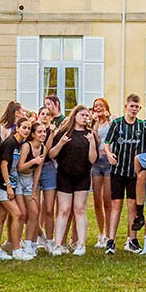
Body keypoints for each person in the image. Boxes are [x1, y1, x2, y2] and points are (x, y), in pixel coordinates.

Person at [103, 94, 146, 255]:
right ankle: (110, 240)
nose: (134, 109)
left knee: (132, 206)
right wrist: (109, 154)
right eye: (131, 106)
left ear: (139, 109)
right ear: (126, 106)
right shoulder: (117, 124)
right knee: (116, 205)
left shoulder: (141, 125)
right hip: (118, 170)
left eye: (137, 107)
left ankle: (132, 239)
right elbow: (107, 142)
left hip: (134, 172)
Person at [50, 105, 97, 256]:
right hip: (64, 175)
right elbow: (51, 154)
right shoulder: (64, 133)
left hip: (82, 176)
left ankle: (81, 244)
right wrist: (61, 143)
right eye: (82, 115)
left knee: (79, 209)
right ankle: (58, 244)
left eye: (87, 116)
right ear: (75, 115)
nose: (85, 118)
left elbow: (93, 159)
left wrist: (91, 143)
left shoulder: (90, 134)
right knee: (63, 209)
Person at [0, 117, 32, 261]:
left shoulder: (20, 144)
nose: (26, 130)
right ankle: (16, 249)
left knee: (1, 217)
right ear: (17, 128)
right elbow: (3, 165)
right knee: (17, 214)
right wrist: (8, 186)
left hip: (11, 184)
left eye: (28, 128)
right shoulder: (10, 143)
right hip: (2, 184)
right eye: (24, 127)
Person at [18, 120, 47, 256]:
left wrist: (35, 191)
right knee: (22, 214)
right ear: (33, 134)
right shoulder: (26, 146)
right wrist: (33, 161)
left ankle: (30, 243)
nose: (43, 134)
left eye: (44, 132)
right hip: (18, 179)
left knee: (34, 212)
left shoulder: (43, 148)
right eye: (40, 132)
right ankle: (16, 243)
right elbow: (20, 167)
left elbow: (38, 171)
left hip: (30, 180)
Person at [90, 98, 113, 249]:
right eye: (95, 106)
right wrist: (95, 123)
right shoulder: (93, 124)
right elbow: (95, 139)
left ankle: (111, 235)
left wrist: (108, 117)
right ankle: (101, 233)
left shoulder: (111, 123)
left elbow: (113, 135)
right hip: (96, 162)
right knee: (97, 200)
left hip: (108, 161)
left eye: (101, 105)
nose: (98, 108)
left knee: (107, 200)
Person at [35, 105, 58, 252]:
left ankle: (49, 239)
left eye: (47, 114)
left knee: (49, 208)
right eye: (42, 113)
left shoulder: (53, 132)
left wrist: (52, 134)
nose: (45, 116)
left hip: (49, 168)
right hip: (34, 168)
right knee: (34, 209)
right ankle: (38, 236)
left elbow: (47, 151)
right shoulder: (33, 131)